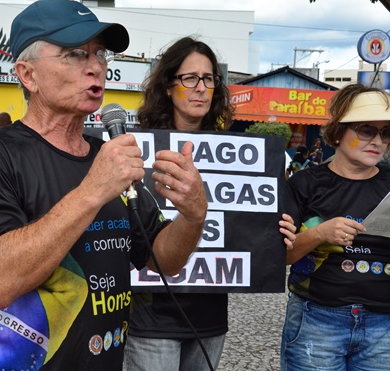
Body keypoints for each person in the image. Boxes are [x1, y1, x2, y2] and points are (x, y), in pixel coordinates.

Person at [0, 0, 210, 371]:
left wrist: (193, 216)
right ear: (28, 75)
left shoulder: (107, 156)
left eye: (100, 54)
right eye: (75, 54)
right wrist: (92, 191)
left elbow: (162, 258)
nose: (96, 67)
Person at [124, 36, 297, 371]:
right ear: (168, 86)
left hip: (209, 318)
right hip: (151, 316)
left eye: (209, 79)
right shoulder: (136, 148)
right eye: (190, 78)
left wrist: (276, 234)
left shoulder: (241, 155)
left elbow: (247, 227)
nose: (201, 88)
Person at [281, 83, 390, 370]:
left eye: (386, 133)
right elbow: (280, 256)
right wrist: (319, 233)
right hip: (316, 319)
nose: (378, 140)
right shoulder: (305, 184)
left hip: (388, 325)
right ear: (339, 131)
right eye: (366, 130)